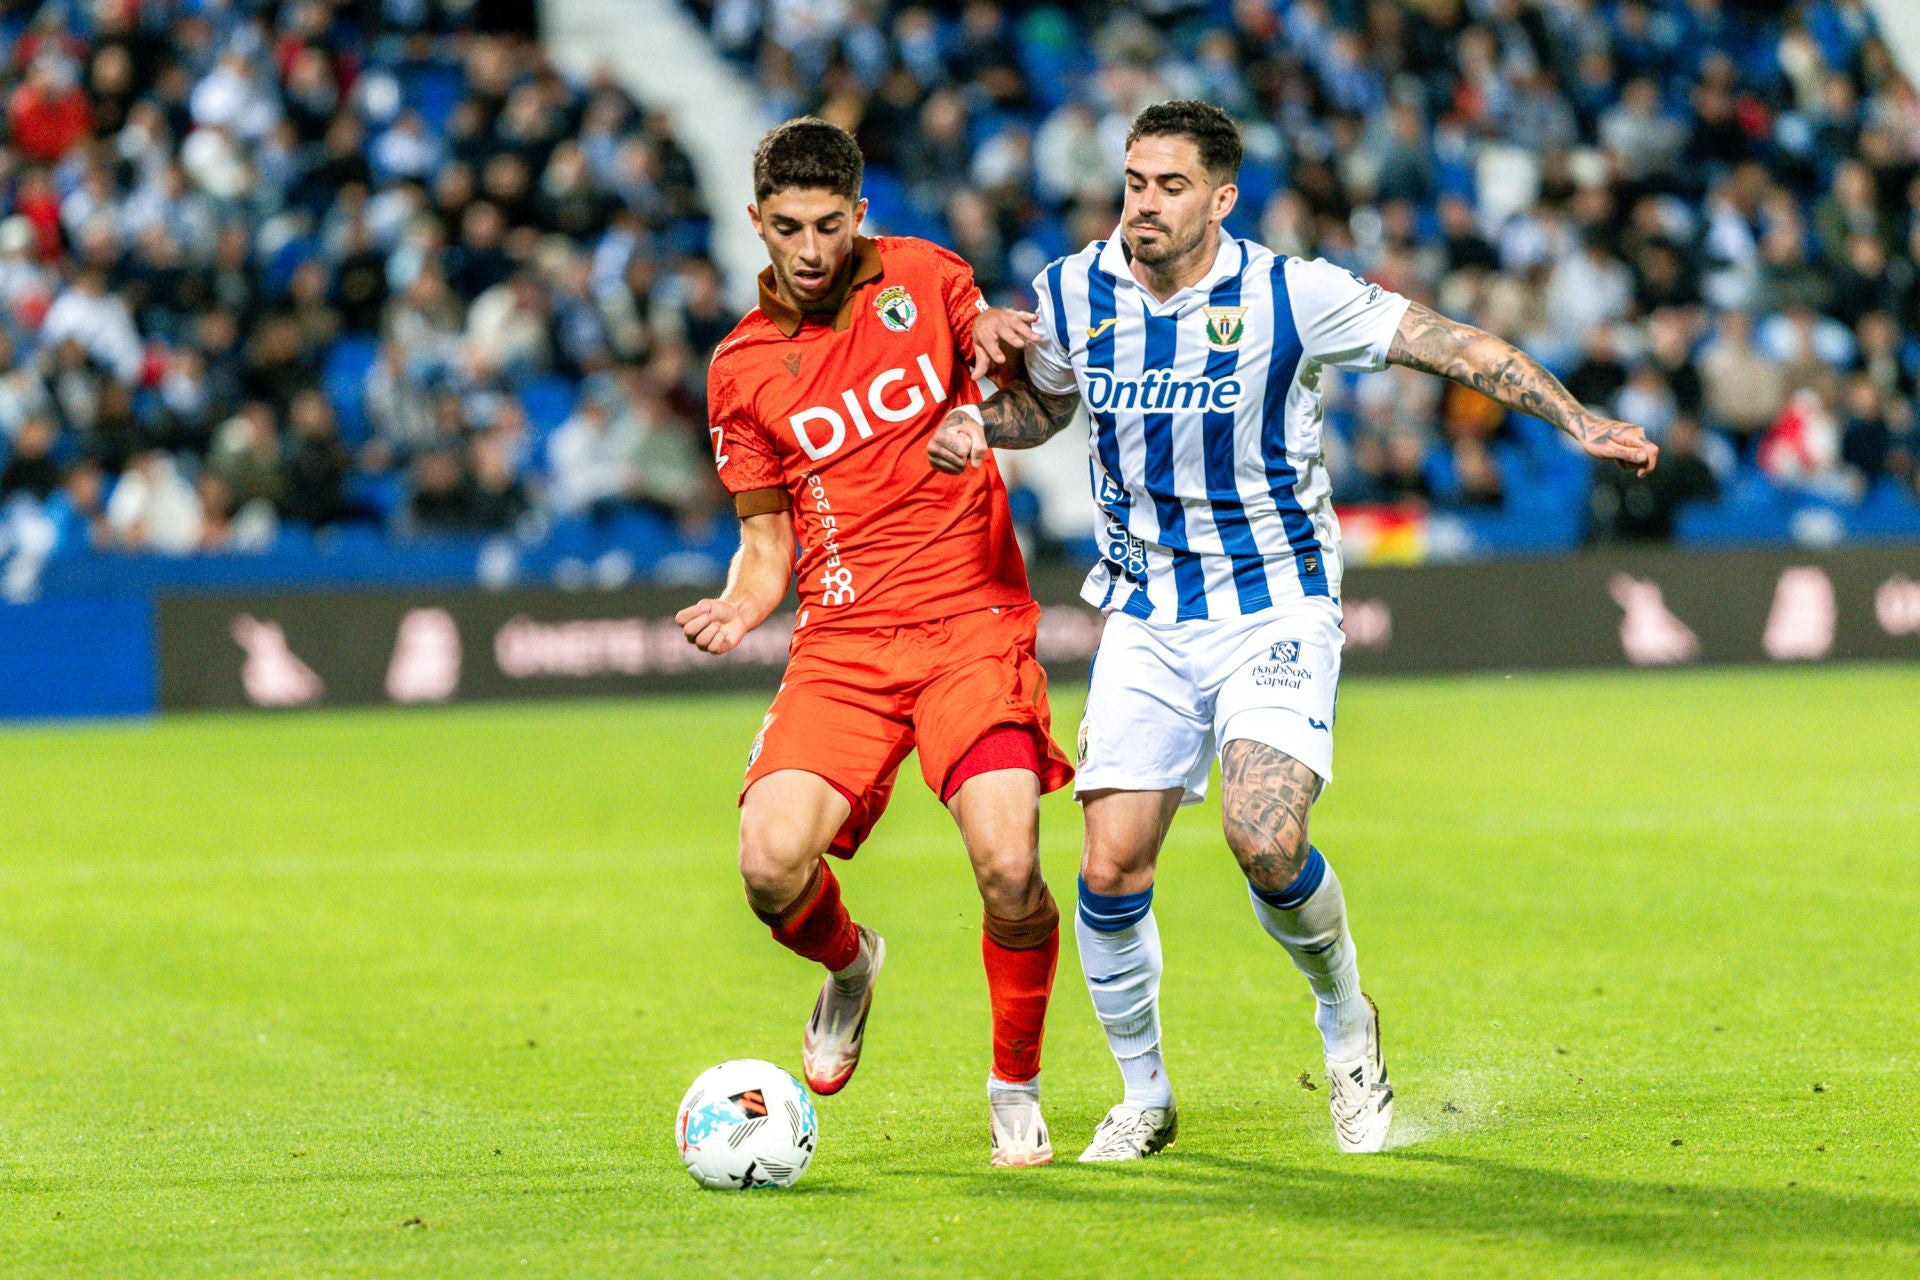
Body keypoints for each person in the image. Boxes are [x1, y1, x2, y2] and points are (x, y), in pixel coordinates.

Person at [931, 100, 1657, 1161]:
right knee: (1109, 868)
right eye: (1135, 182)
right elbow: (1046, 408)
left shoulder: (1289, 292)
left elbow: (1449, 344)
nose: (1144, 204)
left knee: (1265, 836)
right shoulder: (1072, 290)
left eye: (1170, 185)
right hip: (1146, 609)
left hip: (1275, 600)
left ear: (1221, 198)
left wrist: (1575, 418)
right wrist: (975, 423)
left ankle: (1347, 1024)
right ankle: (1145, 1095)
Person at [674, 119, 1074, 1167]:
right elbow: (766, 544)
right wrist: (742, 604)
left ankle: (1015, 1085)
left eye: (827, 225)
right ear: (756, 221)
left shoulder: (925, 279)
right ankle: (851, 966)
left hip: (971, 625)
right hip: (844, 644)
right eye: (787, 228)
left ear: (859, 215)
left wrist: (998, 338)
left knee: (1010, 865)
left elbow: (1005, 365)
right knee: (770, 865)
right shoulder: (740, 368)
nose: (809, 250)